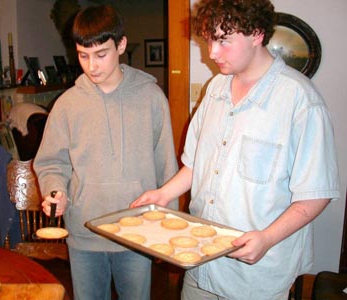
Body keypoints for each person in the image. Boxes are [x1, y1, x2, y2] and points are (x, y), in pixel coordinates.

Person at [131, 0, 340, 299]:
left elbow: (316, 194)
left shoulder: (300, 102)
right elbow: (195, 166)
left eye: (223, 41)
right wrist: (163, 194)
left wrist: (267, 238)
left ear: (256, 34)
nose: (212, 53)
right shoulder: (215, 88)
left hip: (257, 276)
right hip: (200, 261)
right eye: (209, 41)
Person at [33, 4, 178, 300]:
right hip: (85, 233)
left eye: (101, 54)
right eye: (83, 56)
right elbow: (51, 163)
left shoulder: (151, 97)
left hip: (139, 232)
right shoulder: (67, 105)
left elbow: (167, 168)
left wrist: (168, 227)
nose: (92, 66)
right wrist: (55, 191)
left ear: (121, 45)